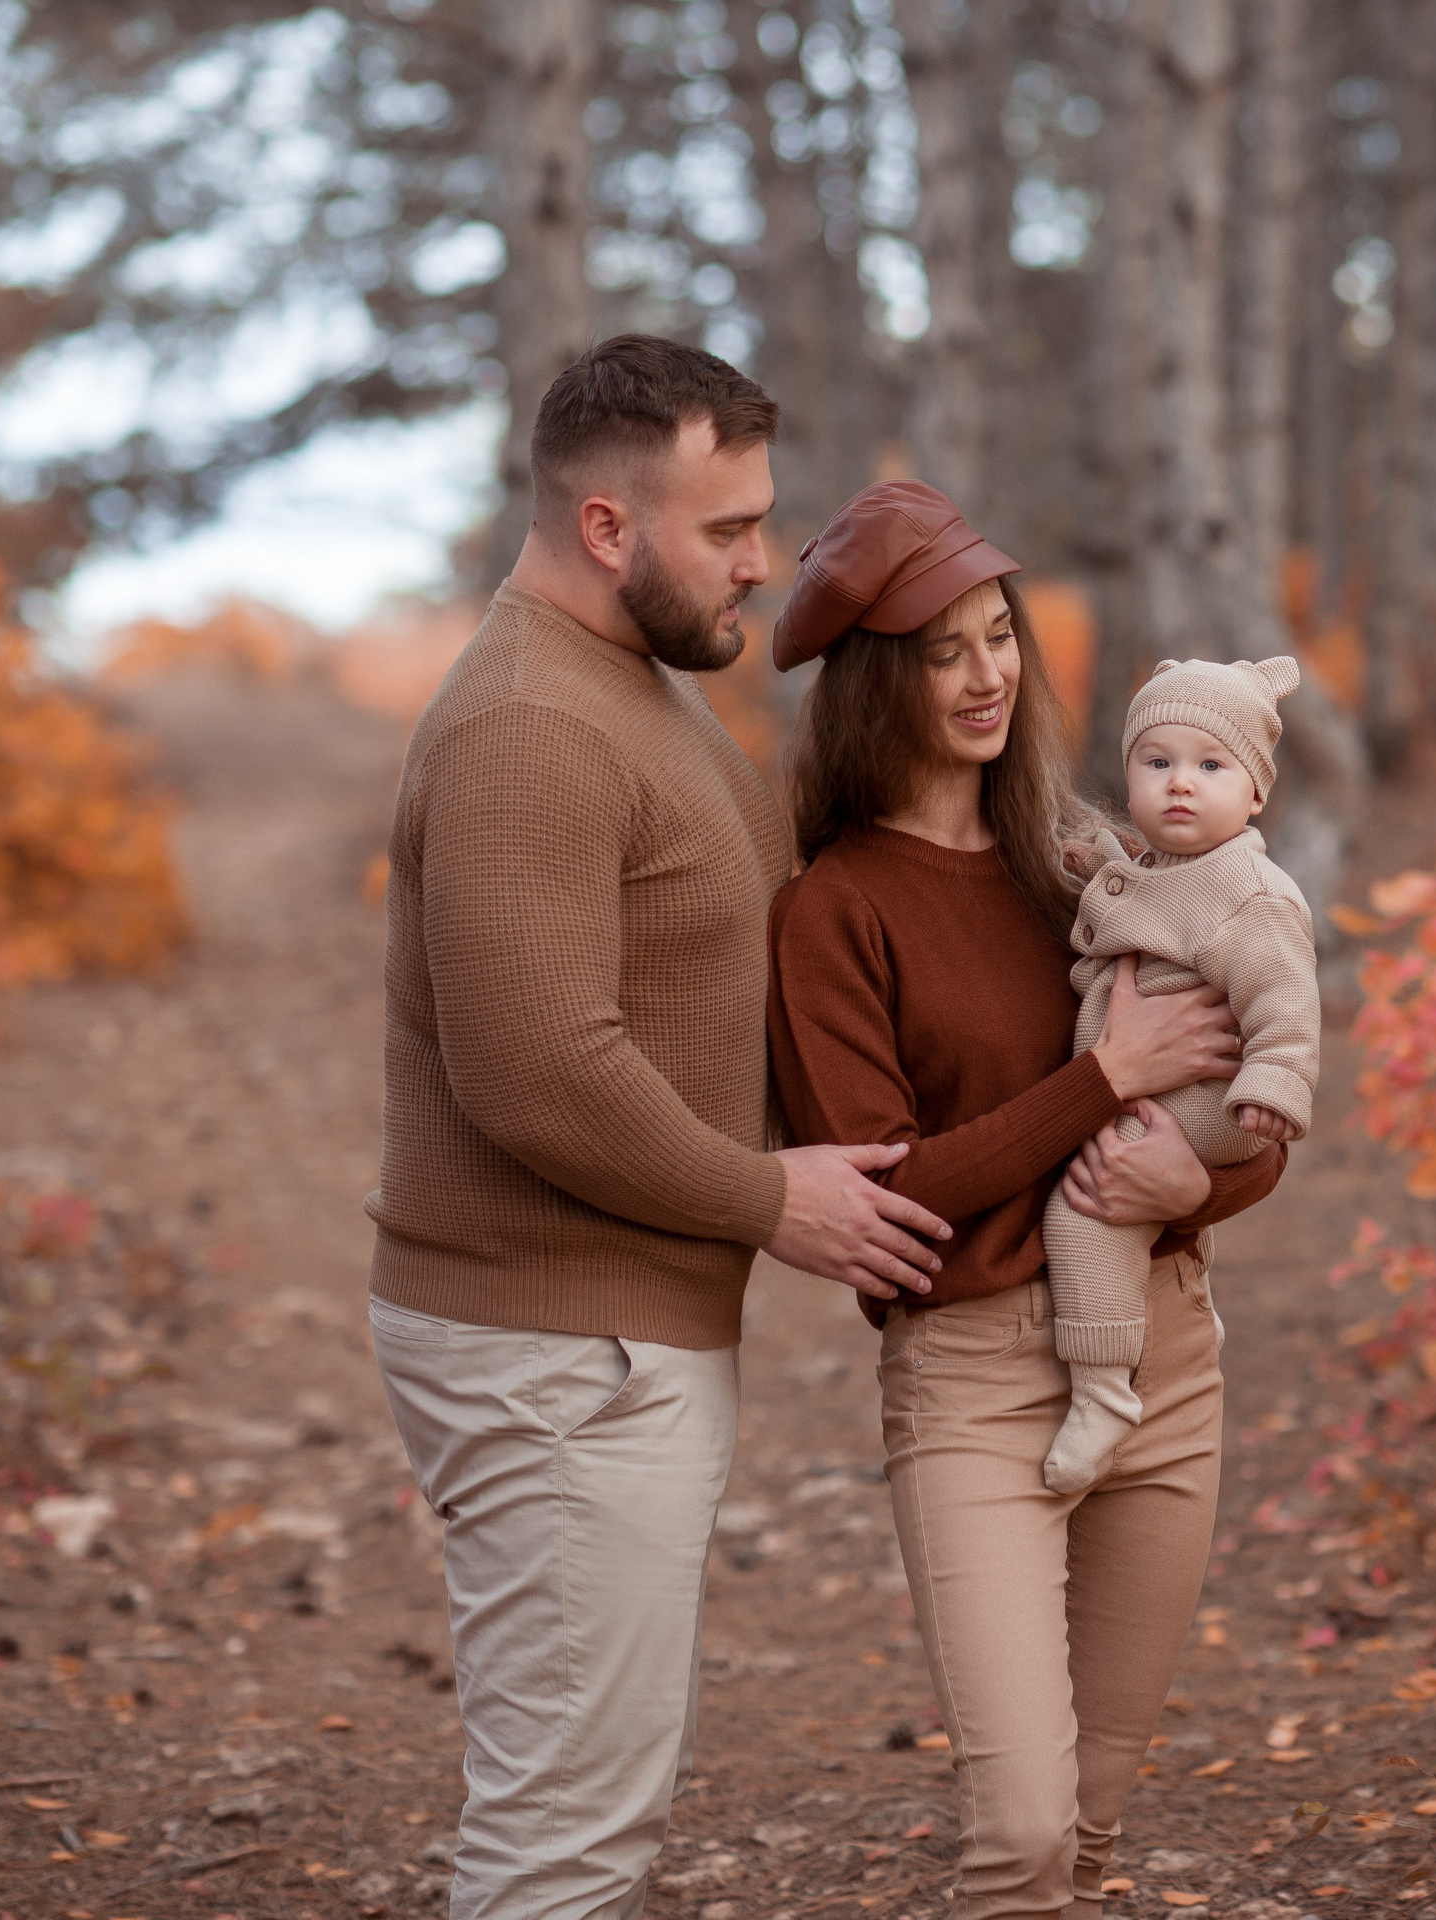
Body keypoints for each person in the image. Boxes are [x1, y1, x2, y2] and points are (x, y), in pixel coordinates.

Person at [364, 337, 956, 1920]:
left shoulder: (631, 689)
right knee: (564, 1839)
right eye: (729, 529)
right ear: (609, 528)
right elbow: (540, 1068)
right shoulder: (529, 730)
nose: (763, 562)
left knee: (592, 1797)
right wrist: (772, 1200)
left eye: (765, 520)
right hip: (556, 1353)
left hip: (608, 1346)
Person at [764, 481, 1287, 1920]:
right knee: (1024, 1840)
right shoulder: (835, 909)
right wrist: (1104, 1078)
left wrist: (1203, 1179)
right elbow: (891, 1197)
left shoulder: (1090, 866)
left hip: (1168, 1364)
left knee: (1095, 1834)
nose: (990, 672)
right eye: (945, 649)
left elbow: (1248, 1097)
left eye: (1001, 636)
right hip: (978, 1384)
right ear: (879, 678)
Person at [1039, 655, 1321, 1496]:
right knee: (1115, 1186)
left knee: (1086, 1203)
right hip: (1173, 1088)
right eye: (1156, 762)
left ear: (1256, 793)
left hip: (1220, 1099)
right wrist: (1086, 864)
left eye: (1210, 765)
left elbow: (1286, 1002)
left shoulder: (1252, 893)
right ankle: (1180, 1310)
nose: (1180, 785)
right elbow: (1135, 894)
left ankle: (1101, 1391)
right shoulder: (1166, 866)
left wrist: (1275, 1084)